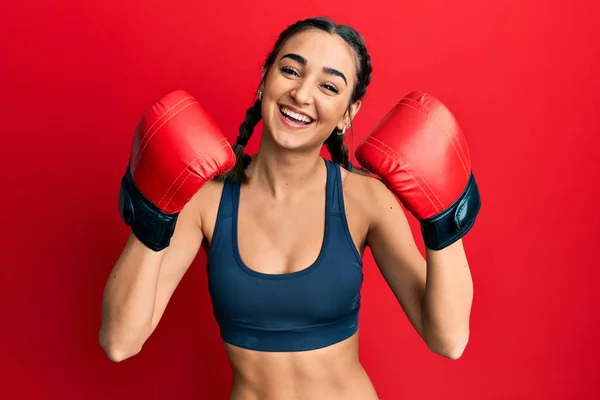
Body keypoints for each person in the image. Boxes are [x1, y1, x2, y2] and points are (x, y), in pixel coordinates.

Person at [100, 16, 480, 400]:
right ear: (265, 79)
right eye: (290, 70)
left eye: (329, 86)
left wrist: (445, 221)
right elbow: (120, 342)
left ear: (348, 113)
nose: (301, 94)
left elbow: (448, 339)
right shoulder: (206, 200)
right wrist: (153, 216)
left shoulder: (364, 199)